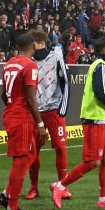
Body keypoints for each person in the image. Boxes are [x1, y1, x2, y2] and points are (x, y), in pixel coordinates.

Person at [50, 37, 105, 209]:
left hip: (102, 119)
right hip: (94, 120)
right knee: (92, 162)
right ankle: (59, 186)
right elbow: (99, 91)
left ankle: (104, 198)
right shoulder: (100, 65)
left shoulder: (101, 65)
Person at [0, 31, 48, 210]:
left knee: (31, 155)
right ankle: (12, 207)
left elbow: (3, 94)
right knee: (21, 160)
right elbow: (31, 99)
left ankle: (6, 194)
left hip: (10, 113)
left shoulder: (9, 63)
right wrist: (40, 124)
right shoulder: (30, 65)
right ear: (33, 46)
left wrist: (13, 109)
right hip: (22, 117)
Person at [27, 30, 71, 200]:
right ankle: (33, 187)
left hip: (54, 110)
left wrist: (63, 109)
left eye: (33, 42)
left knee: (60, 147)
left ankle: (62, 186)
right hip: (35, 112)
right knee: (33, 149)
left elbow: (66, 83)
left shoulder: (56, 57)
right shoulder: (28, 61)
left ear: (41, 43)